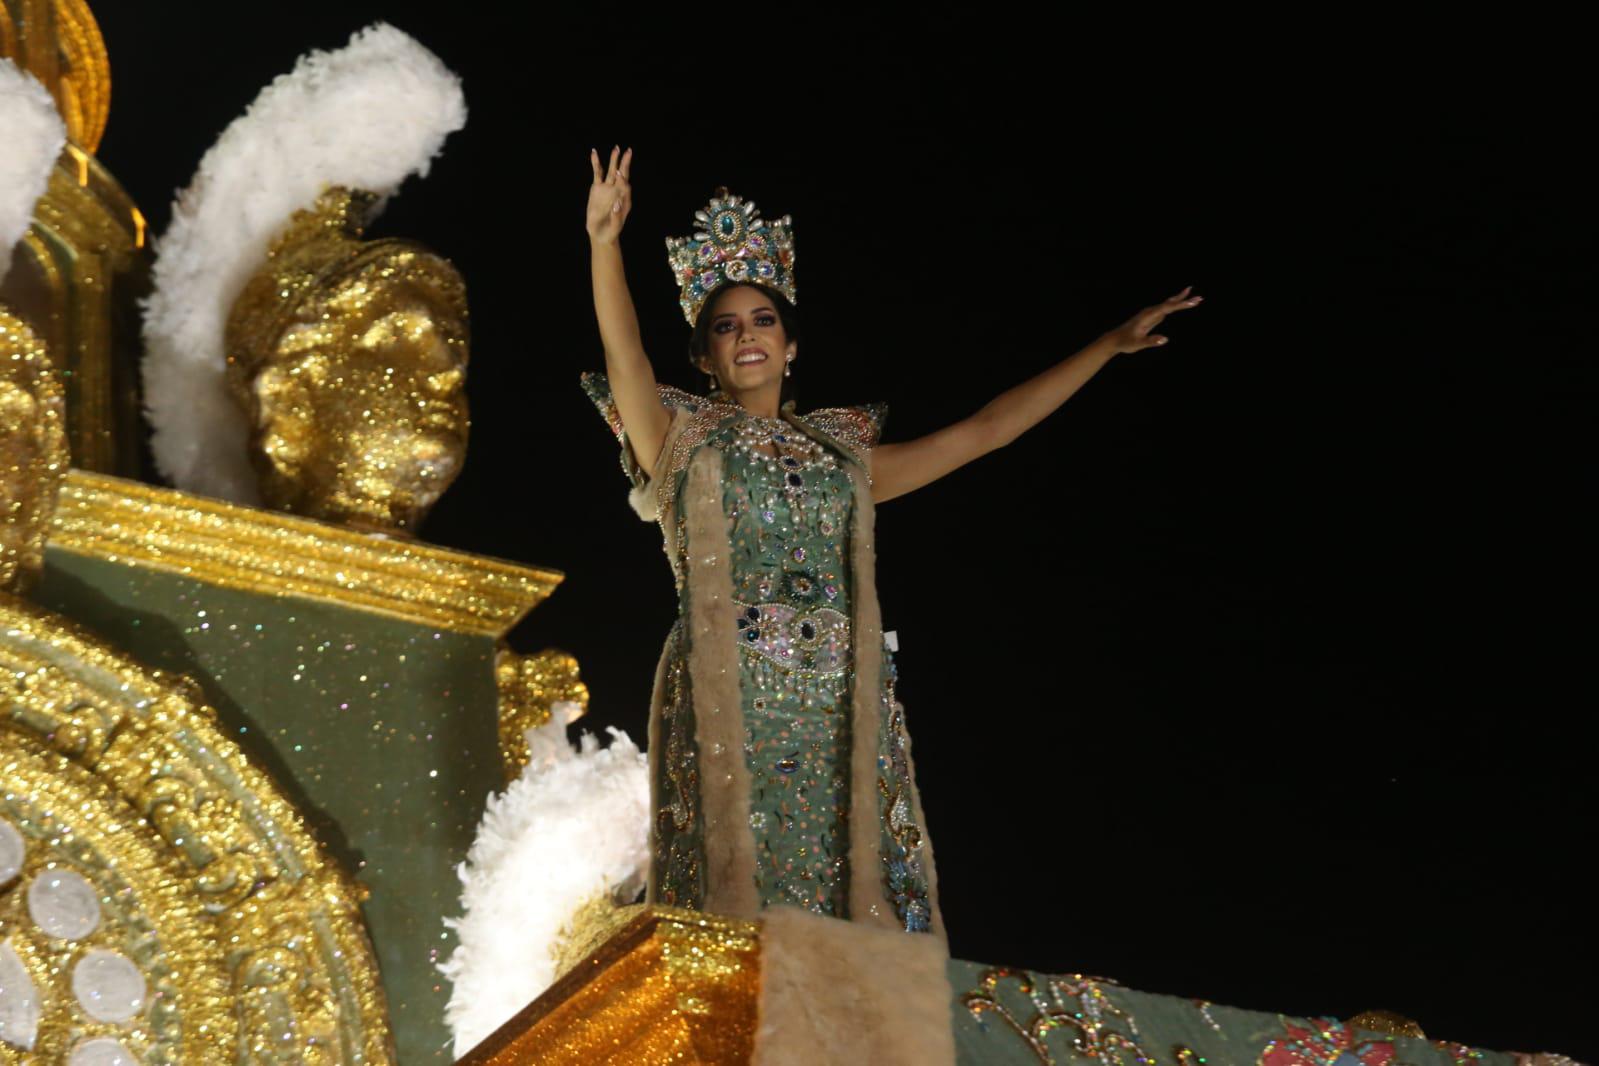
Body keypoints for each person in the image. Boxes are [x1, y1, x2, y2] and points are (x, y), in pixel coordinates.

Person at [580, 145, 1201, 942]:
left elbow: (984, 431)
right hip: (728, 689)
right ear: (704, 356)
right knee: (736, 887)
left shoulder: (843, 459)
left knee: (850, 887)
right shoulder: (681, 442)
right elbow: (624, 357)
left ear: (791, 345)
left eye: (763, 320)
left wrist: (1106, 346)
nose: (747, 337)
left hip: (841, 695)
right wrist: (604, 243)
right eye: (725, 327)